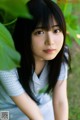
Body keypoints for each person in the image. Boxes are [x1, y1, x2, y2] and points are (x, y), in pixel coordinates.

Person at [0, 0, 71, 120]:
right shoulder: (7, 63)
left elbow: (60, 101)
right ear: (25, 34)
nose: (50, 42)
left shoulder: (61, 55)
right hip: (5, 110)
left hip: (39, 103)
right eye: (40, 32)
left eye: (56, 30)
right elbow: (34, 114)